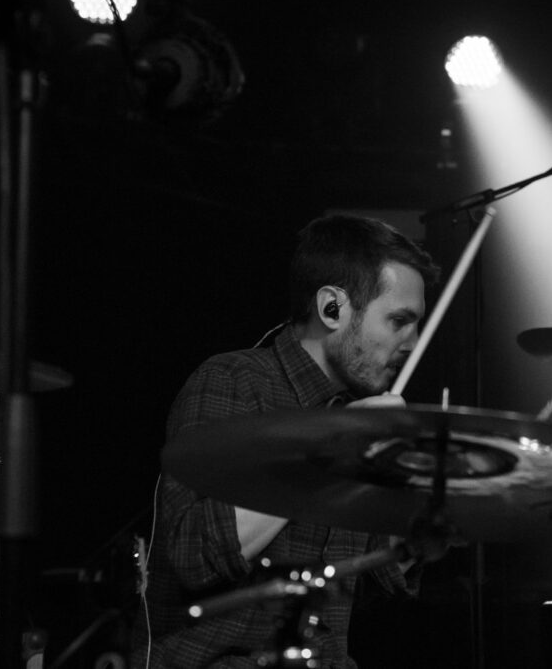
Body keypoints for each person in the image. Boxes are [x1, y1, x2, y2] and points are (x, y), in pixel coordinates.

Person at [130, 214, 440, 668]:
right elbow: (192, 556)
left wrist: (425, 534)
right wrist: (331, 448)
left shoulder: (357, 414)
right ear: (332, 308)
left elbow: (364, 585)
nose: (411, 344)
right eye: (398, 321)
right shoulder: (234, 382)